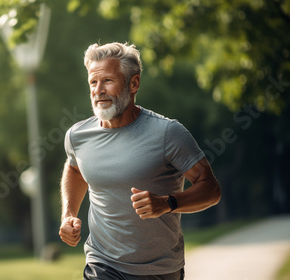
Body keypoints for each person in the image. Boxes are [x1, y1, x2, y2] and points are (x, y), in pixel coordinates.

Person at [59, 42, 221, 280]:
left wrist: (168, 203)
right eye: (93, 82)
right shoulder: (77, 136)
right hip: (102, 263)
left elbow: (211, 189)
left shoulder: (167, 133)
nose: (98, 90)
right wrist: (68, 214)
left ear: (133, 83)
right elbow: (74, 169)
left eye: (108, 81)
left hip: (159, 270)